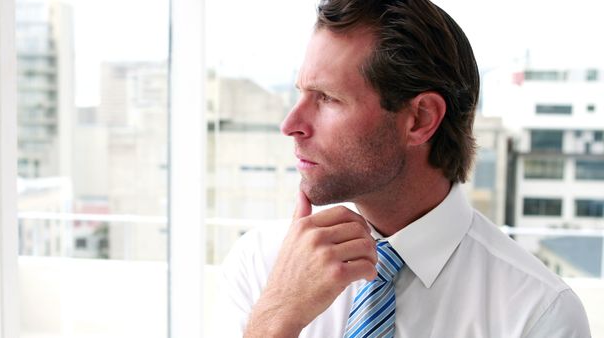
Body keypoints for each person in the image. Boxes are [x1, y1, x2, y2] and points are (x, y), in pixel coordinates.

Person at [219, 0, 591, 337]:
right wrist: (276, 318)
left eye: (328, 98)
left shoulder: (538, 313)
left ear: (420, 119)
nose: (291, 124)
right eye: (299, 93)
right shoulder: (262, 264)